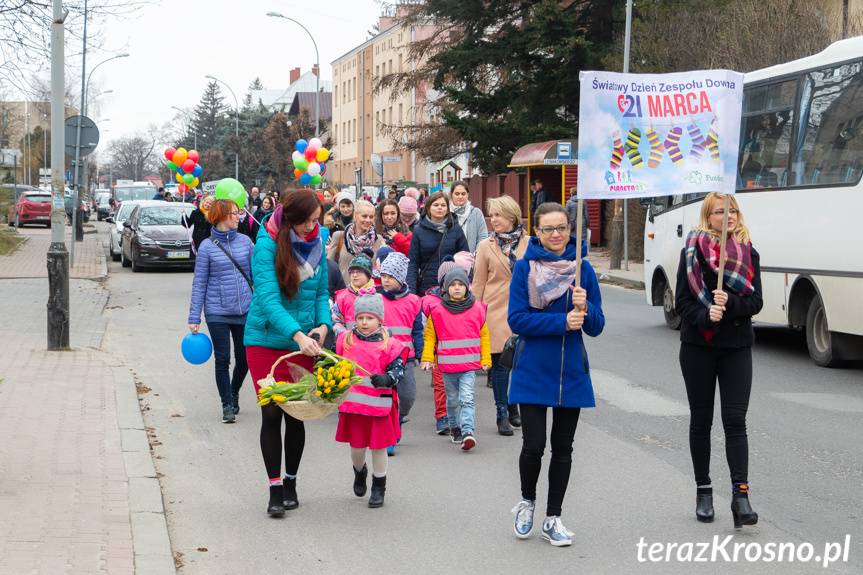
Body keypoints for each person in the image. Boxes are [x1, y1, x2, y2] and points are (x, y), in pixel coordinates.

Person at [507, 202, 604, 547]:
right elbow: (517, 320)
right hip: (532, 368)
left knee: (564, 447)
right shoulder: (525, 269)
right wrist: (561, 321)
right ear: (537, 232)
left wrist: (586, 306)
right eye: (548, 229)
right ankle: (527, 503)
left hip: (570, 371)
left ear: (569, 229)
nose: (556, 234)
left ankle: (554, 517)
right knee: (534, 445)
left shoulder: (583, 270)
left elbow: (596, 326)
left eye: (561, 227)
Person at [674, 192, 762, 528]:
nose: (728, 217)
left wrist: (732, 304)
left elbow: (756, 301)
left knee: (735, 420)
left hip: (737, 347)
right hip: (698, 347)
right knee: (702, 420)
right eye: (720, 212)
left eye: (733, 211)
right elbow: (682, 302)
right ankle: (704, 491)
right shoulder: (691, 252)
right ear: (708, 217)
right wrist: (705, 314)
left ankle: (741, 496)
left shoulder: (747, 252)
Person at [243, 190, 331, 517]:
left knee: (297, 413)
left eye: (317, 220)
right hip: (266, 341)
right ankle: (274, 487)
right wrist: (295, 333)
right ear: (291, 219)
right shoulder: (265, 244)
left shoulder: (320, 240)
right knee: (272, 413)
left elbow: (322, 292)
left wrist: (322, 326)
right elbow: (267, 299)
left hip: (305, 342)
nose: (313, 227)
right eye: (308, 221)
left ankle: (292, 481)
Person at [336, 291, 406, 508]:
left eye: (370, 318)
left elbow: (398, 370)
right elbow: (334, 364)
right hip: (354, 406)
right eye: (360, 318)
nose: (364, 323)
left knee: (379, 448)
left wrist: (388, 378)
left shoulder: (390, 345)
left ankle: (379, 486)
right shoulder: (345, 340)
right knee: (357, 449)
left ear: (380, 319)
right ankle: (359, 471)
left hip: (379, 406)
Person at [187, 199, 254, 423]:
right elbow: (199, 284)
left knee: (244, 359)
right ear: (222, 216)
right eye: (234, 213)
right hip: (217, 311)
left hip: (244, 309)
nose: (238, 217)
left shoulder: (246, 242)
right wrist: (194, 317)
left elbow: (257, 276)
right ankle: (226, 403)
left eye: (239, 213)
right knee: (222, 358)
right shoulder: (206, 247)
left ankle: (234, 391)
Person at [473, 195, 528, 436]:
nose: (493, 220)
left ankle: (513, 403)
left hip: (524, 310)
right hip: (494, 311)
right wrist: (474, 316)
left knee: (521, 363)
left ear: (512, 216)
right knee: (500, 366)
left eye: (498, 215)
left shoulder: (531, 243)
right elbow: (478, 284)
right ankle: (501, 413)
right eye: (491, 215)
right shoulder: (486, 246)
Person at [421, 267, 491, 451]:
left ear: (467, 287)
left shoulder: (477, 309)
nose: (457, 288)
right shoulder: (437, 311)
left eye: (461, 284)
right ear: (445, 288)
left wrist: (486, 359)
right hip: (447, 366)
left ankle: (468, 431)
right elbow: (430, 337)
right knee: (452, 400)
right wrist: (427, 358)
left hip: (469, 366)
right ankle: (455, 427)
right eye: (453, 285)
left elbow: (484, 335)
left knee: (467, 398)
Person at [377, 252, 423, 431]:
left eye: (391, 276)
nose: (386, 280)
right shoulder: (377, 299)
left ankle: (401, 416)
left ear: (401, 278)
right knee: (384, 395)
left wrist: (421, 353)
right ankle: (388, 429)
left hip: (405, 357)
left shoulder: (413, 301)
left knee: (408, 395)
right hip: (382, 354)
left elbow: (418, 330)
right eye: (383, 276)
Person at [406, 190, 469, 296]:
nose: (440, 208)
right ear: (428, 208)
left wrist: (466, 283)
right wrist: (411, 290)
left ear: (448, 209)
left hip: (451, 286)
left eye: (443, 205)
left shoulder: (456, 229)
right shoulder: (418, 230)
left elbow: (466, 258)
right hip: (426, 287)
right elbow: (413, 263)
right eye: (436, 205)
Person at [328, 200, 384, 279]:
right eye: (364, 216)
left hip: (368, 290)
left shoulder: (378, 239)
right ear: (355, 216)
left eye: (371, 217)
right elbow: (329, 267)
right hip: (343, 289)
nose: (368, 220)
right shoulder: (339, 236)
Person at [331, 254, 375, 336]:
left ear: (368, 275)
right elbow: (335, 320)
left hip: (374, 345)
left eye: (359, 272)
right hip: (349, 343)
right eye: (352, 272)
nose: (354, 275)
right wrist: (344, 335)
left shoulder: (377, 296)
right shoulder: (342, 297)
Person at [449, 181, 488, 253]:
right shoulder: (446, 213)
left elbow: (483, 237)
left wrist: (476, 255)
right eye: (457, 194)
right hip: (450, 259)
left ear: (468, 195)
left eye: (463, 194)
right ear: (451, 195)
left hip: (472, 258)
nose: (460, 196)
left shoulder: (476, 213)